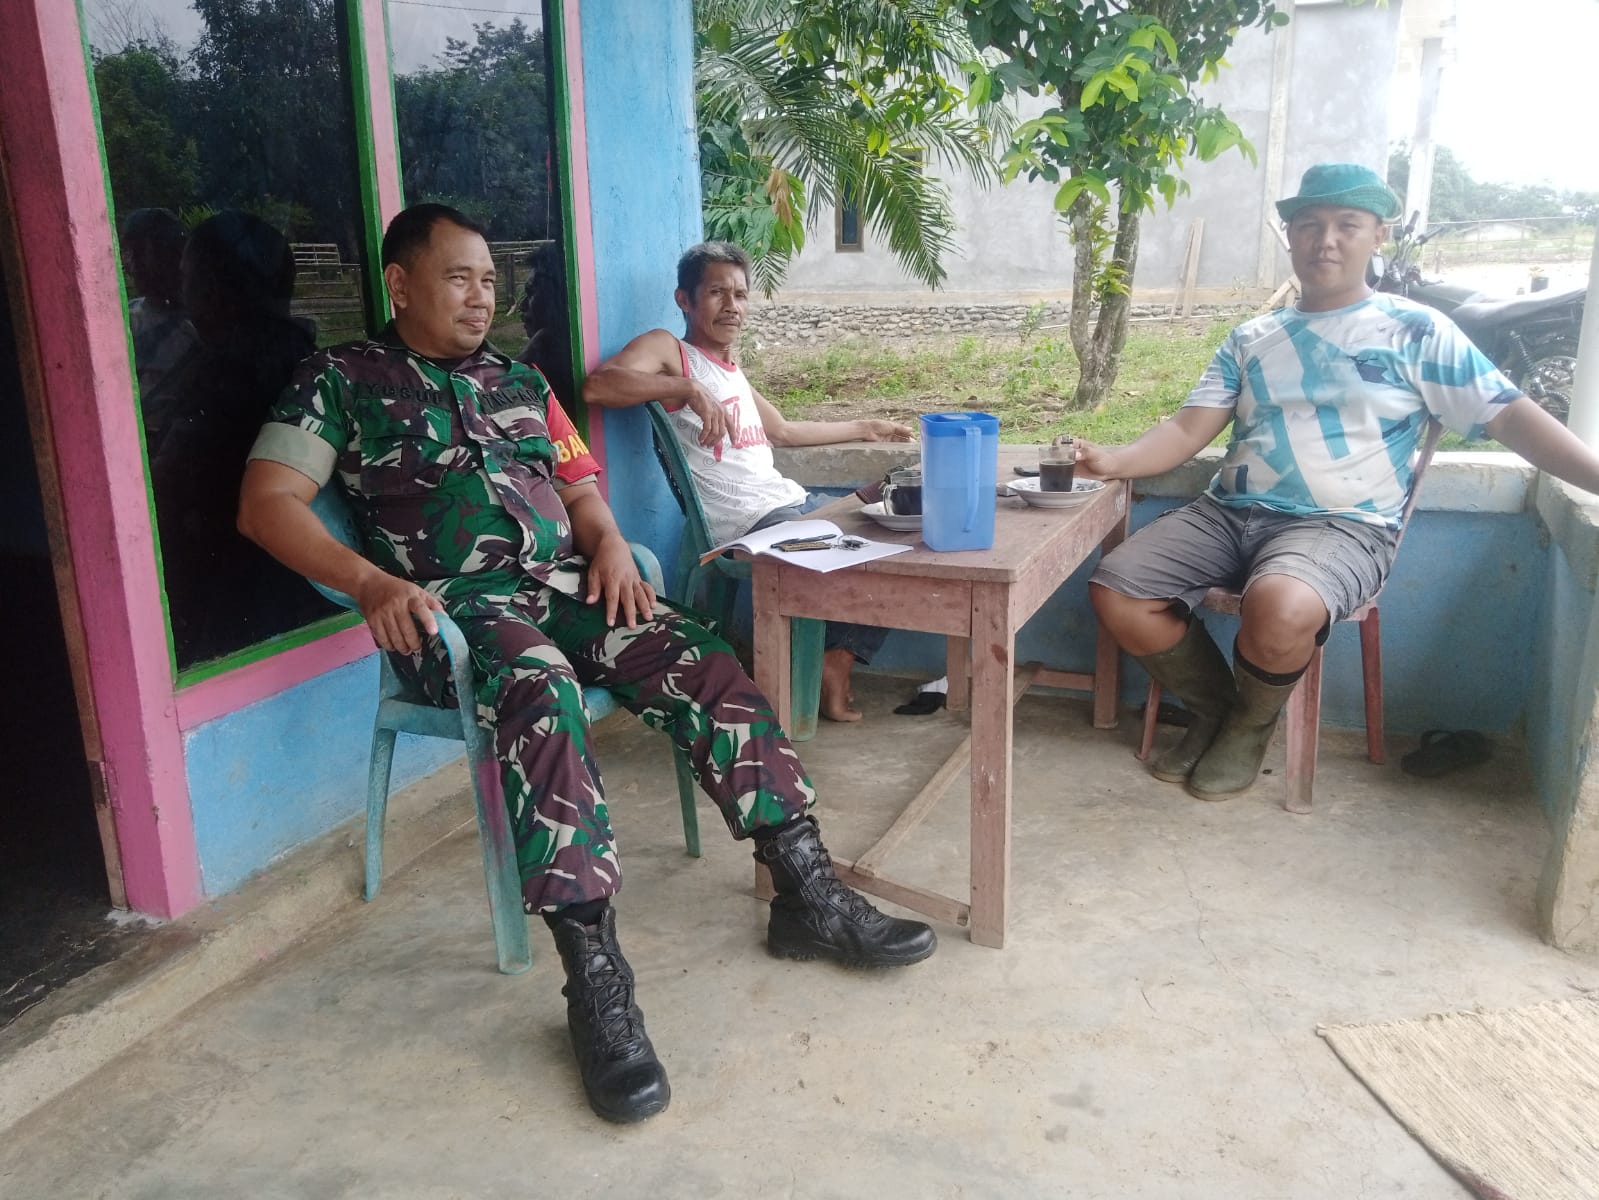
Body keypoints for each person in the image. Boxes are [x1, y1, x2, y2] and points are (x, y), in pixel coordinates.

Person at [237, 204, 936, 1125]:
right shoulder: (339, 379)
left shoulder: (521, 381)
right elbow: (266, 503)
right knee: (542, 687)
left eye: (489, 280)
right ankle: (595, 981)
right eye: (458, 278)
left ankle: (805, 891)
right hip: (455, 612)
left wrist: (605, 543)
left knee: (700, 656)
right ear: (400, 285)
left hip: (564, 587)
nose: (481, 297)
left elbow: (579, 490)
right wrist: (368, 583)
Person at [1077, 162, 1599, 800]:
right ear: (1291, 236)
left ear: (1378, 235)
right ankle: (1216, 707)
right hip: (1227, 514)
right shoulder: (1252, 338)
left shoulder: (1417, 330)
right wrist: (1113, 459)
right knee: (1118, 589)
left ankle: (1250, 725)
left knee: (1283, 606)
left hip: (1343, 525)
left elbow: (1509, 416)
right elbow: (1189, 430)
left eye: (1347, 225)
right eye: (1309, 225)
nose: (1325, 240)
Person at [583, 241, 912, 722]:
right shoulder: (671, 351)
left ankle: (837, 656)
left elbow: (784, 431)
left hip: (788, 504)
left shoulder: (732, 373)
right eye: (717, 292)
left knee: (901, 530)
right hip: (746, 524)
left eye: (740, 294)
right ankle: (824, 667)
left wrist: (866, 427)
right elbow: (599, 386)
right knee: (852, 544)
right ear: (684, 299)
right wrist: (687, 387)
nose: (732, 306)